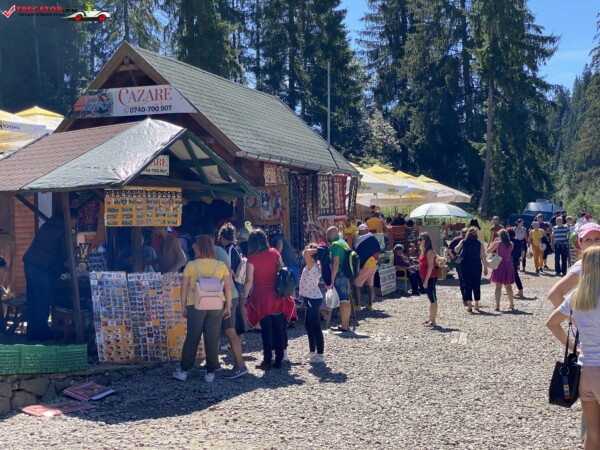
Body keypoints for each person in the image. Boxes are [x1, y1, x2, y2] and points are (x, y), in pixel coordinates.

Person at [546, 247, 600, 450]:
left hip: (586, 372)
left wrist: (574, 347)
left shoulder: (577, 297)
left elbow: (552, 323)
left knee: (593, 433)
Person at [173, 235, 232, 383]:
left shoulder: (191, 265)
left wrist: (183, 306)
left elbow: (184, 288)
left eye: (195, 246)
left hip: (195, 304)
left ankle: (184, 370)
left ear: (199, 247)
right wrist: (228, 305)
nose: (194, 247)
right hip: (217, 304)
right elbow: (228, 288)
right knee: (212, 337)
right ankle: (210, 372)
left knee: (192, 336)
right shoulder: (220, 266)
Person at [23, 209, 79, 341]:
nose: (74, 224)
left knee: (33, 299)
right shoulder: (64, 230)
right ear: (71, 218)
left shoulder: (49, 224)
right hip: (41, 268)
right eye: (75, 221)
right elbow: (66, 253)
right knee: (43, 300)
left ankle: (32, 331)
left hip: (29, 263)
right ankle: (42, 332)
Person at [242, 229, 294, 370]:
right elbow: (282, 269)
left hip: (261, 297)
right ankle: (279, 359)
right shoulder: (274, 252)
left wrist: (244, 296)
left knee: (266, 330)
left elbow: (249, 280)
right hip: (277, 294)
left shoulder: (252, 258)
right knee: (278, 328)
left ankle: (267, 360)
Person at [213, 225, 248, 379]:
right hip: (236, 285)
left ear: (221, 237)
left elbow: (227, 270)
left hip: (231, 286)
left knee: (231, 325)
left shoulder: (227, 250)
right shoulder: (237, 247)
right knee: (236, 315)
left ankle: (239, 362)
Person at [300, 243, 325, 364]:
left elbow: (305, 253)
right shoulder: (314, 264)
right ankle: (312, 350)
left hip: (312, 298)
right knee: (308, 324)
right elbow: (305, 253)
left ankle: (320, 354)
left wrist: (318, 249)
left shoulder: (313, 264)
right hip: (310, 298)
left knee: (315, 326)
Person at [455, 227, 488, 313]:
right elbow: (483, 257)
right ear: (476, 234)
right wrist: (485, 268)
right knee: (476, 284)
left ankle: (469, 305)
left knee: (467, 285)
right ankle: (476, 303)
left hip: (465, 266)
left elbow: (456, 249)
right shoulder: (479, 243)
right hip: (477, 266)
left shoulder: (464, 242)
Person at [327, 226, 352, 332]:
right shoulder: (343, 243)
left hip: (340, 274)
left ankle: (344, 326)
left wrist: (332, 278)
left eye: (328, 234)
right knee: (346, 300)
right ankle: (346, 324)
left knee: (343, 301)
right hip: (346, 274)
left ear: (331, 233)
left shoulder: (335, 245)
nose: (327, 236)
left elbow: (336, 263)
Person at [353, 224, 380, 311]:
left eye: (360, 232)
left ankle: (358, 306)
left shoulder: (359, 240)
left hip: (366, 265)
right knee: (370, 285)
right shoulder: (374, 238)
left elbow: (358, 252)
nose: (359, 233)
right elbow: (378, 249)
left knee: (356, 284)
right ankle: (370, 305)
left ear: (361, 231)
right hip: (373, 264)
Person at [488, 229, 515, 311]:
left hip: (499, 264)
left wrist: (494, 242)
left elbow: (488, 251)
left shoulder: (497, 243)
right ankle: (511, 304)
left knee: (498, 287)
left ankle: (497, 305)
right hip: (508, 264)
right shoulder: (511, 244)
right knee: (508, 287)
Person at [419, 232, 438, 327]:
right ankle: (431, 318)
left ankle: (433, 321)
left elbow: (431, 266)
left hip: (430, 278)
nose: (419, 241)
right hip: (425, 277)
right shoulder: (424, 250)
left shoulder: (429, 251)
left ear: (425, 240)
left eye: (420, 239)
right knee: (431, 299)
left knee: (433, 299)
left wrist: (426, 280)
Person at [448, 228, 467, 304]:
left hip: (459, 262)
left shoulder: (456, 239)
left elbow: (449, 250)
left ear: (461, 232)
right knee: (468, 280)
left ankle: (464, 298)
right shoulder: (470, 240)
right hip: (468, 261)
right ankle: (469, 298)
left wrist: (454, 258)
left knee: (461, 280)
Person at [507, 228, 524, 297]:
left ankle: (512, 290)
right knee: (515, 275)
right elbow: (523, 250)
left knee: (509, 275)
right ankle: (519, 290)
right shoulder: (517, 241)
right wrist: (522, 257)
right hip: (516, 260)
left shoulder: (507, 242)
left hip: (509, 260)